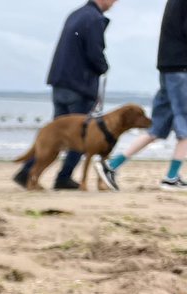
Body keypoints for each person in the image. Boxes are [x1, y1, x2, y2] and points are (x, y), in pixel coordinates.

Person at [14, 0, 117, 190]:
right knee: (82, 136)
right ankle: (63, 177)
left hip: (60, 81)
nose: (114, 3)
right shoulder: (94, 18)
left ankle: (27, 172)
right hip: (79, 84)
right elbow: (94, 52)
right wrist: (104, 66)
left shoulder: (76, 14)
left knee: (55, 135)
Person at [96, 0, 187, 191]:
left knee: (157, 126)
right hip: (180, 68)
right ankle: (171, 177)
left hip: (168, 65)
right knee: (184, 123)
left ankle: (112, 165)